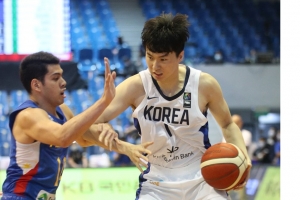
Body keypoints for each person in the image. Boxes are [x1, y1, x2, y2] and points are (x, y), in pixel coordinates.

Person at [90, 13, 252, 200]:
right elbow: (92, 122)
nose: (154, 66)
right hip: (157, 181)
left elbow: (227, 125)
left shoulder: (204, 84)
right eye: (149, 57)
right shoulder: (135, 86)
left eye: (163, 59)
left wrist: (243, 157)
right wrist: (121, 145)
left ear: (180, 56)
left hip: (202, 178)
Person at [0, 51, 120, 199]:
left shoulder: (61, 110)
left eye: (62, 76)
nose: (63, 82)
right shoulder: (28, 115)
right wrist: (103, 101)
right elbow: (63, 137)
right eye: (56, 78)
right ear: (37, 85)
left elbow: (82, 137)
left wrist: (127, 147)